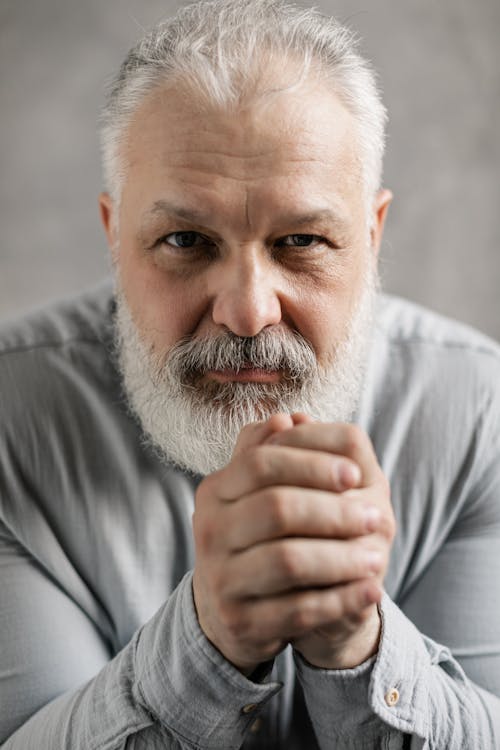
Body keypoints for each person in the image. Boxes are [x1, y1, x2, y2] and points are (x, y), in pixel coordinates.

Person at [0, 0, 499, 747]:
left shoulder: (477, 414)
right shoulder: (11, 420)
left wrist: (360, 646)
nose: (246, 311)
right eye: (184, 239)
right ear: (114, 236)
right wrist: (207, 641)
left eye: (301, 239)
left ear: (370, 235)